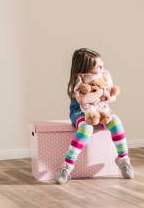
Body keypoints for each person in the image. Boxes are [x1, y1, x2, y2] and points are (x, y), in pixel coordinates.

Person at [56, 48, 135, 184]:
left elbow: (111, 98)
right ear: (86, 67)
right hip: (81, 111)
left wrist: (105, 95)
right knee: (86, 129)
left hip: (101, 109)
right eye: (98, 65)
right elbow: (83, 100)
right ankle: (67, 166)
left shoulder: (104, 75)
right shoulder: (79, 79)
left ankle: (123, 160)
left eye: (101, 64)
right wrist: (100, 93)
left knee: (116, 122)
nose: (102, 67)